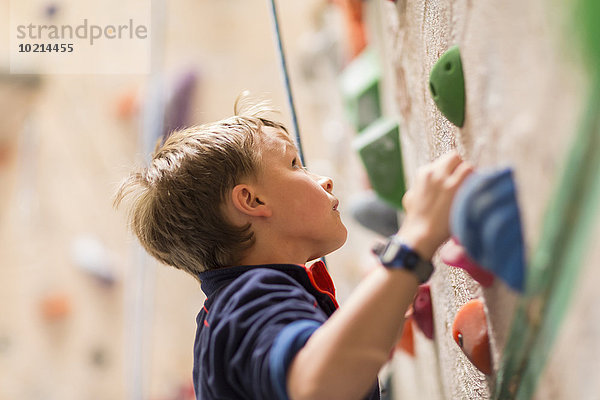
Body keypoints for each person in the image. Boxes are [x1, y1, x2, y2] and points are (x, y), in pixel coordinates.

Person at [114, 99, 473, 400]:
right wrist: (416, 238)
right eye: (293, 164)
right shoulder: (247, 302)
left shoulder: (225, 317)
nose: (323, 179)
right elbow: (319, 384)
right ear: (252, 200)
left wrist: (393, 296)